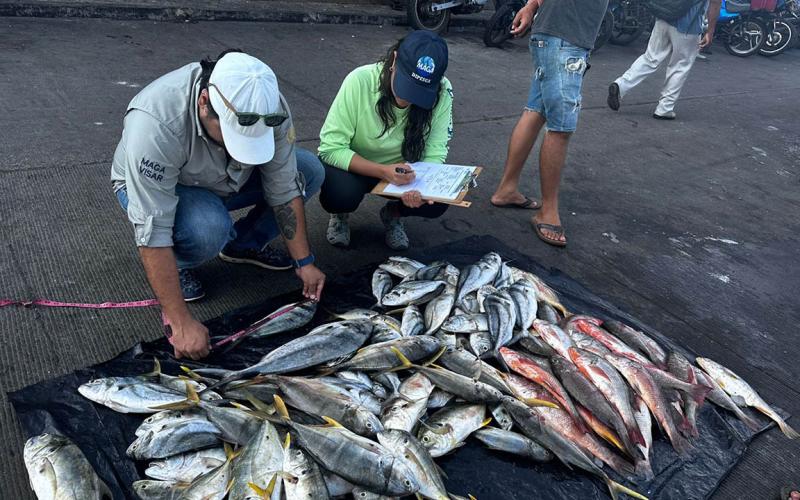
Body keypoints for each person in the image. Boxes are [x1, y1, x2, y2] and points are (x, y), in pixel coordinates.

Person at [110, 50, 326, 360]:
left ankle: (243, 246)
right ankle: (181, 265)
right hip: (161, 187)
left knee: (309, 170)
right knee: (208, 226)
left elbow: (284, 187)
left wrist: (305, 262)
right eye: (232, 134)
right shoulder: (155, 123)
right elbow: (152, 228)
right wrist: (180, 322)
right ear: (204, 102)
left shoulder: (269, 103)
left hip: (226, 179)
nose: (240, 148)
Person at [318, 31, 454, 251]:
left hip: (403, 173)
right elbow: (330, 148)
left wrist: (423, 185)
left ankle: (393, 214)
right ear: (394, 60)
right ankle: (340, 214)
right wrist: (382, 170)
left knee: (438, 200)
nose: (407, 98)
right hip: (355, 165)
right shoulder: (360, 80)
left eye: (420, 92)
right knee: (339, 195)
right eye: (405, 84)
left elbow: (435, 151)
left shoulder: (443, 90)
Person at [490, 0, 609, 247]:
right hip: (565, 40)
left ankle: (507, 189)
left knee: (535, 111)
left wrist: (532, 5)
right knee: (561, 127)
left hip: (555, 37)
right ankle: (548, 211)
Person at [606, 0, 722, 119]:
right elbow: (715, 3)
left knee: (650, 58)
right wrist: (710, 31)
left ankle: (621, 85)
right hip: (688, 26)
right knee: (680, 66)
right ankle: (665, 108)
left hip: (664, 18)